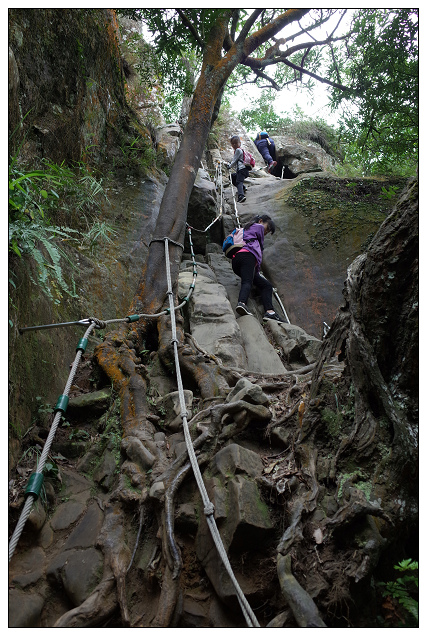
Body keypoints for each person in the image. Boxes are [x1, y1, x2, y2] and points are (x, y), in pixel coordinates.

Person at [231, 214, 284, 322]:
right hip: (247, 256)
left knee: (266, 286)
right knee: (247, 282)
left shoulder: (249, 230)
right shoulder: (257, 227)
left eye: (268, 232)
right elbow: (258, 251)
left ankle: (270, 312)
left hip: (239, 261)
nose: (266, 232)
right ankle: (242, 303)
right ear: (260, 221)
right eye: (267, 228)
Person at [227, 135, 249, 203]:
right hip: (242, 170)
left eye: (236, 143)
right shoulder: (240, 150)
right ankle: (243, 188)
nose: (234, 145)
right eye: (233, 143)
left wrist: (229, 166)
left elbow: (234, 160)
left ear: (239, 143)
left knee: (239, 182)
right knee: (232, 177)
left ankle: (241, 196)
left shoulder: (238, 150)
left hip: (242, 170)